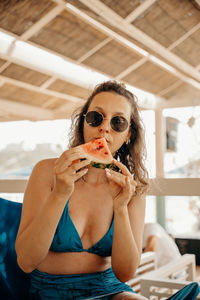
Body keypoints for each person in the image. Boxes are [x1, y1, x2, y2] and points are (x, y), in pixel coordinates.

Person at [15, 81, 149, 300]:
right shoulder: (46, 171)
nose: (105, 128)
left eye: (118, 122)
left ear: (128, 135)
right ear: (83, 123)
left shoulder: (132, 189)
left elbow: (125, 274)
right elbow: (26, 262)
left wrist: (121, 208)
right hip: (49, 292)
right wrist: (60, 193)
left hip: (110, 290)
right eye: (96, 117)